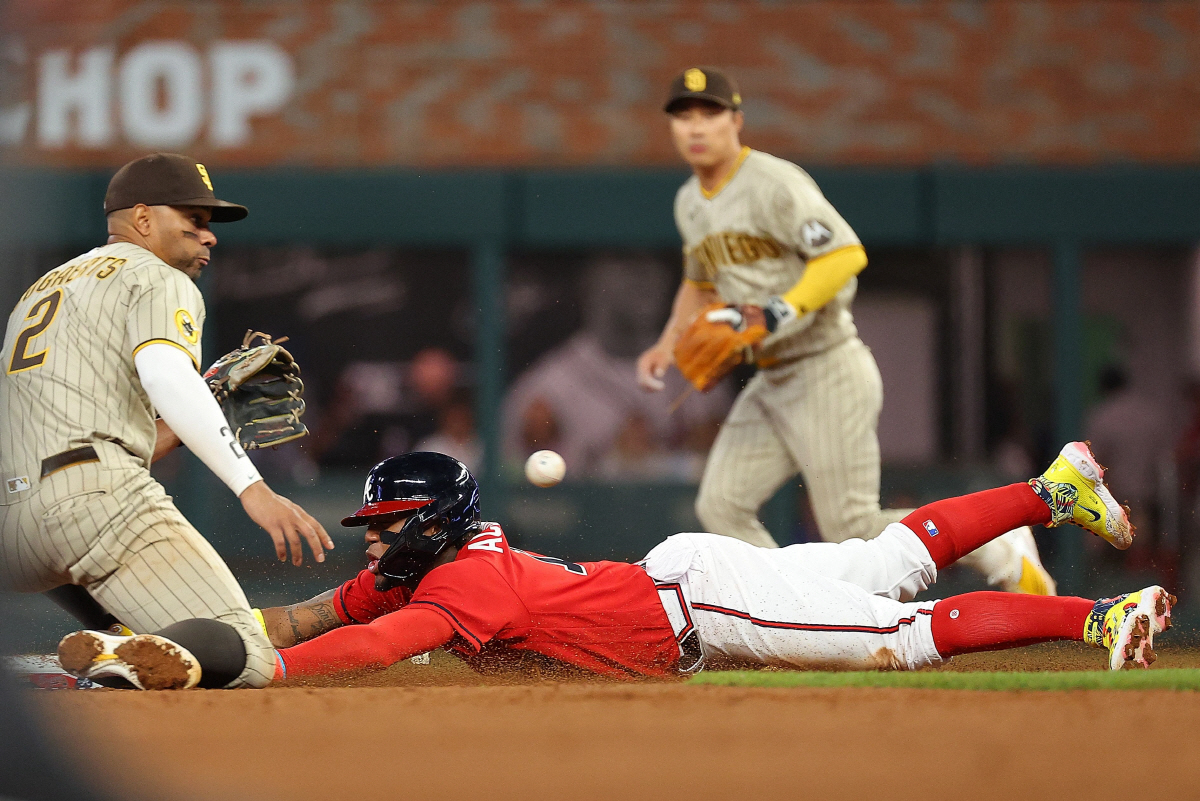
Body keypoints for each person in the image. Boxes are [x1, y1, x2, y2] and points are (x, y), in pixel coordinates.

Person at [89, 442, 1157, 690]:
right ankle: (1049, 490)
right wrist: (194, 640)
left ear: (427, 527)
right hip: (680, 580)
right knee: (885, 563)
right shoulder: (431, 560)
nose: (371, 535)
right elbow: (312, 614)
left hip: (707, 602)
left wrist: (250, 677)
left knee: (898, 633)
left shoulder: (461, 581)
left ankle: (1092, 615)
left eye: (385, 522)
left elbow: (370, 644)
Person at [634, 66, 1052, 594]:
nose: (695, 127)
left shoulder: (773, 183)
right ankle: (798, 607)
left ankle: (999, 547)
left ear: (736, 120)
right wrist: (668, 341)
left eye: (710, 114)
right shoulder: (689, 202)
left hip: (826, 366)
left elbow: (845, 254)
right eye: (683, 116)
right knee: (720, 505)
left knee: (852, 526)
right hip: (772, 380)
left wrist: (778, 312)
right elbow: (698, 283)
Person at [1, 153, 333, 691]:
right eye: (194, 221)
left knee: (169, 649)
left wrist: (190, 413)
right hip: (97, 511)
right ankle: (116, 645)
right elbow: (164, 376)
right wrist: (252, 488)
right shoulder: (156, 277)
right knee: (249, 656)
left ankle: (114, 637)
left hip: (15, 532)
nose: (209, 237)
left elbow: (87, 441)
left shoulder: (41, 290)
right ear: (143, 219)